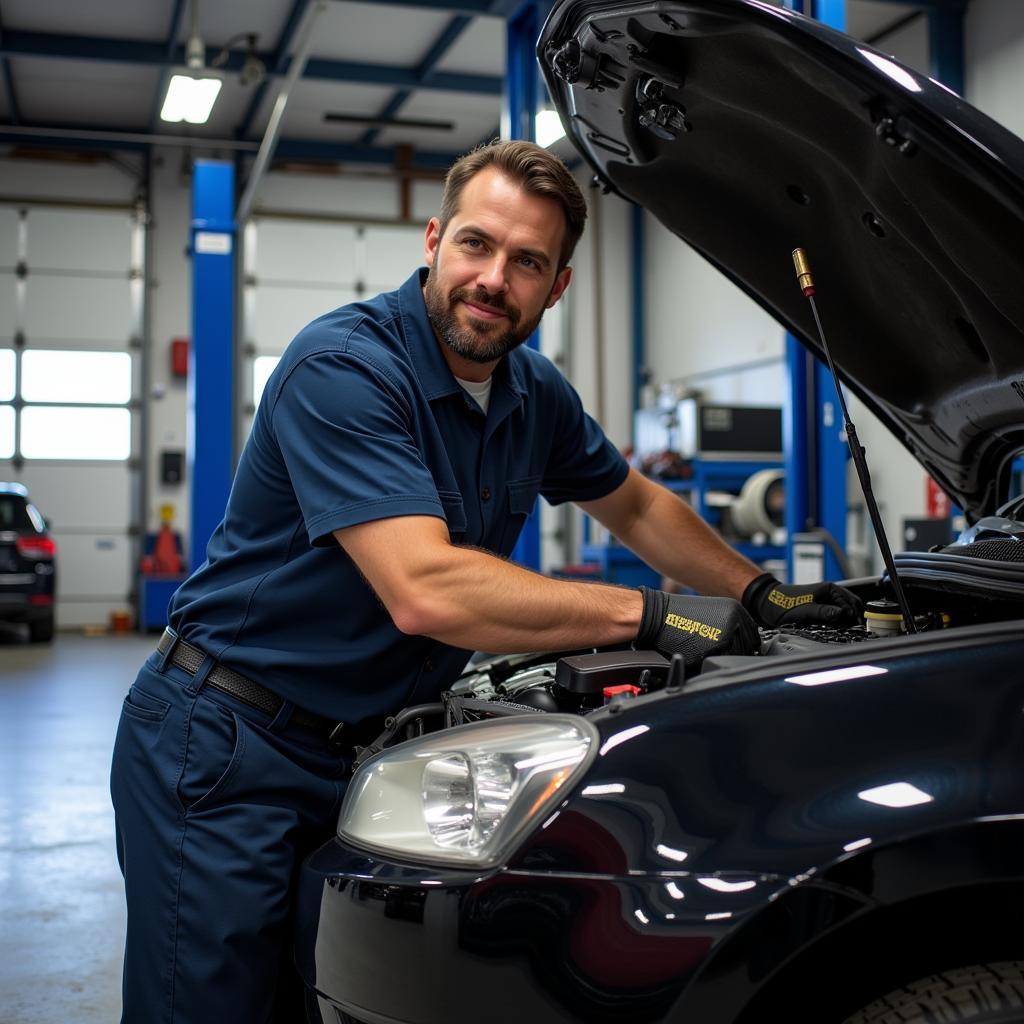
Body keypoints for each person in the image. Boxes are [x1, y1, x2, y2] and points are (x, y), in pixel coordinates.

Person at [110, 139, 860, 1022]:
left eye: (527, 261)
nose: (493, 278)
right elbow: (424, 588)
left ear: (558, 285)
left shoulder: (531, 392)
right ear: (433, 240)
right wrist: (652, 615)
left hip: (353, 749)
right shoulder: (345, 370)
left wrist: (758, 595)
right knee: (205, 1007)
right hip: (225, 737)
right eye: (476, 244)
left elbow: (638, 508)